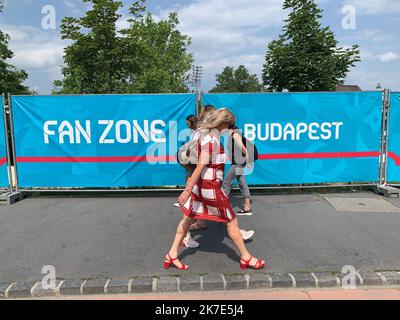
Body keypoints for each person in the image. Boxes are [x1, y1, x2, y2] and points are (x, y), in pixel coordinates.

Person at [164, 108, 265, 271]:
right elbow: (201, 166)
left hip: (202, 187)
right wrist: (187, 189)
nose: (230, 126)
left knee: (188, 218)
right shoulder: (212, 139)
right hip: (209, 187)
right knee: (231, 221)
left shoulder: (206, 134)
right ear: (222, 122)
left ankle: (172, 254)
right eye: (229, 123)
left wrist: (191, 189)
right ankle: (246, 257)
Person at [223, 125, 253, 215]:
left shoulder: (235, 134)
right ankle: (247, 207)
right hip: (236, 162)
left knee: (226, 182)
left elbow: (244, 149)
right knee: (242, 182)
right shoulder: (234, 135)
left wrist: (247, 161)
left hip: (237, 163)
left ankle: (222, 208)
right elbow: (234, 150)